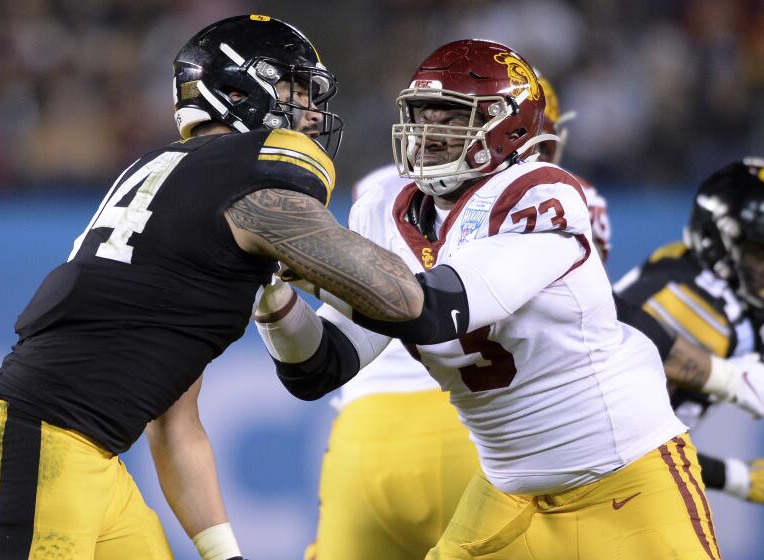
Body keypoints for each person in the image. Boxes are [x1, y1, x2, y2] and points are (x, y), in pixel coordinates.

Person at [0, 15, 428, 560]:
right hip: (36, 442)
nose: (311, 113)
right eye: (296, 91)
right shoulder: (253, 180)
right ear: (239, 91)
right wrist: (436, 260)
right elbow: (398, 297)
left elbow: (174, 422)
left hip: (87, 456)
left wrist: (224, 554)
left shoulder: (172, 174)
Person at [254, 39, 723, 559]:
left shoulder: (540, 194)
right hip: (507, 486)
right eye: (420, 114)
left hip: (623, 473)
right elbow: (320, 368)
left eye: (451, 117)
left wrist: (307, 257)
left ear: (510, 128)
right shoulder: (383, 210)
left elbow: (435, 311)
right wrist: (270, 296)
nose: (426, 132)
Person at [616, 157, 764, 505]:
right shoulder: (697, 308)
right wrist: (737, 478)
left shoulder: (708, 285)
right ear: (720, 240)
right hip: (599, 491)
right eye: (760, 253)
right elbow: (618, 445)